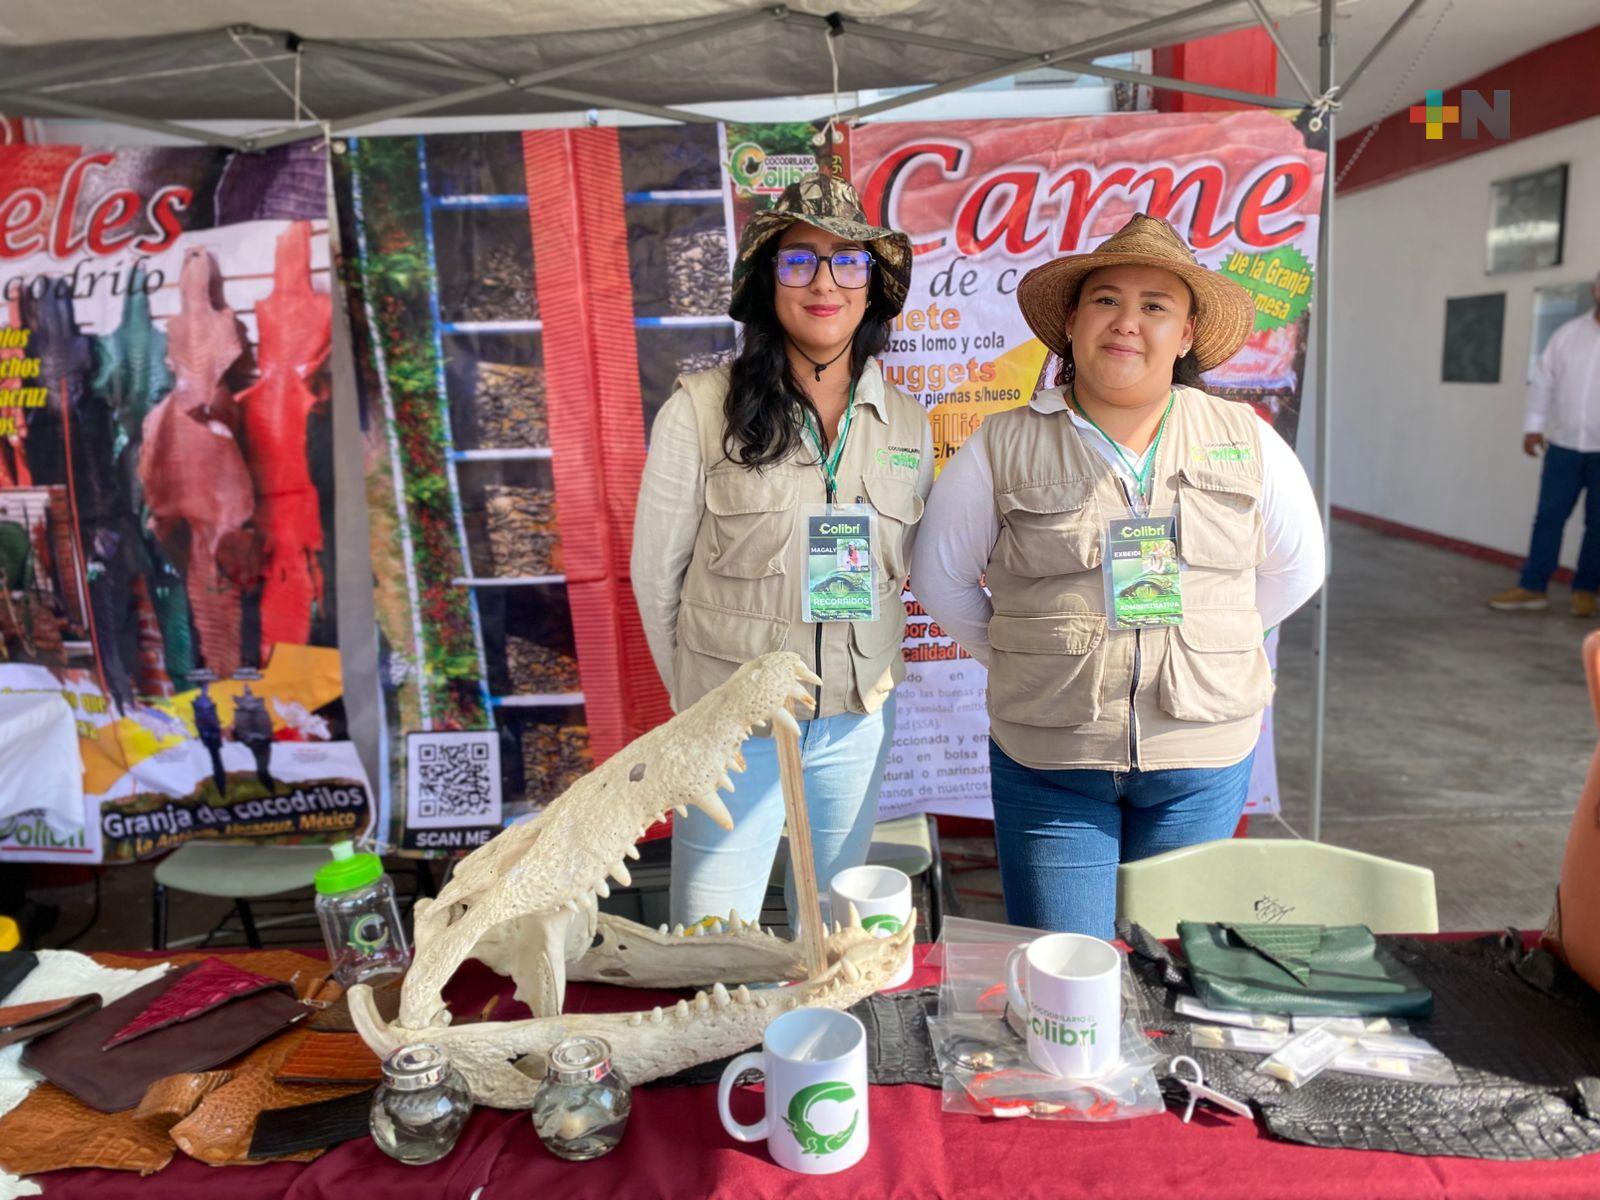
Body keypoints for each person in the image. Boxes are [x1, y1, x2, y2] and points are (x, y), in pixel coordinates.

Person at [911, 214, 1326, 939]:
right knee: (1063, 972)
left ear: (1188, 334)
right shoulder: (1003, 443)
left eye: (1155, 306)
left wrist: (1209, 645)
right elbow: (942, 579)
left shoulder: (1246, 437)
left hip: (1202, 759)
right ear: (1071, 322)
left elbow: (1296, 570)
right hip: (1052, 763)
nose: (1127, 323)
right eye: (1106, 300)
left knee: (1176, 971)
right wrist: (1031, 655)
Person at [632, 174, 933, 931]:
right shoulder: (699, 411)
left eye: (848, 262)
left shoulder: (906, 423)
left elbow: (907, 569)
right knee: (711, 940)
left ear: (874, 286)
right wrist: (704, 709)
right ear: (768, 284)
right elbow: (654, 578)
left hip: (856, 718)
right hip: (735, 730)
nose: (824, 282)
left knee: (835, 931)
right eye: (798, 261)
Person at [1488, 272, 1600, 616]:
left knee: (1598, 524)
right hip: (1564, 446)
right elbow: (1543, 382)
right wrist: (1533, 427)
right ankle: (1532, 586)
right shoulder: (1569, 334)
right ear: (1596, 290)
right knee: (1549, 517)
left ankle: (1586, 591)